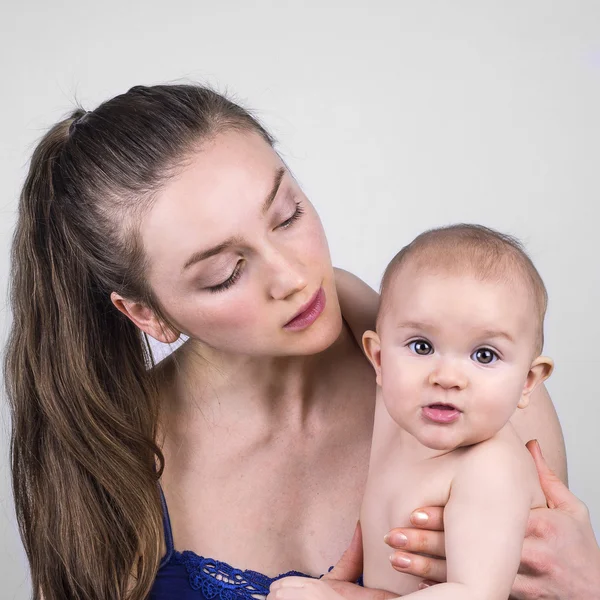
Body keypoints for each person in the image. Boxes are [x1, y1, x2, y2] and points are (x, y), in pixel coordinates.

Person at [5, 84, 599, 600]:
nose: (293, 276)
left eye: (287, 215)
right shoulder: (104, 457)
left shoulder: (476, 380)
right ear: (148, 314)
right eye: (225, 274)